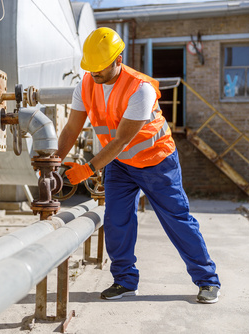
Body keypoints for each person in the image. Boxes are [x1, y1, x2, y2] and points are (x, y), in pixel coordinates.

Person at [56, 27, 221, 303]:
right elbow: (72, 128)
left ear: (118, 60)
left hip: (157, 162)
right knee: (117, 221)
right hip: (120, 164)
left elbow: (121, 140)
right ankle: (124, 281)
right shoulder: (85, 85)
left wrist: (88, 168)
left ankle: (207, 280)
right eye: (91, 68)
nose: (94, 73)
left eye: (100, 68)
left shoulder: (140, 88)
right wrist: (54, 161)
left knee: (177, 220)